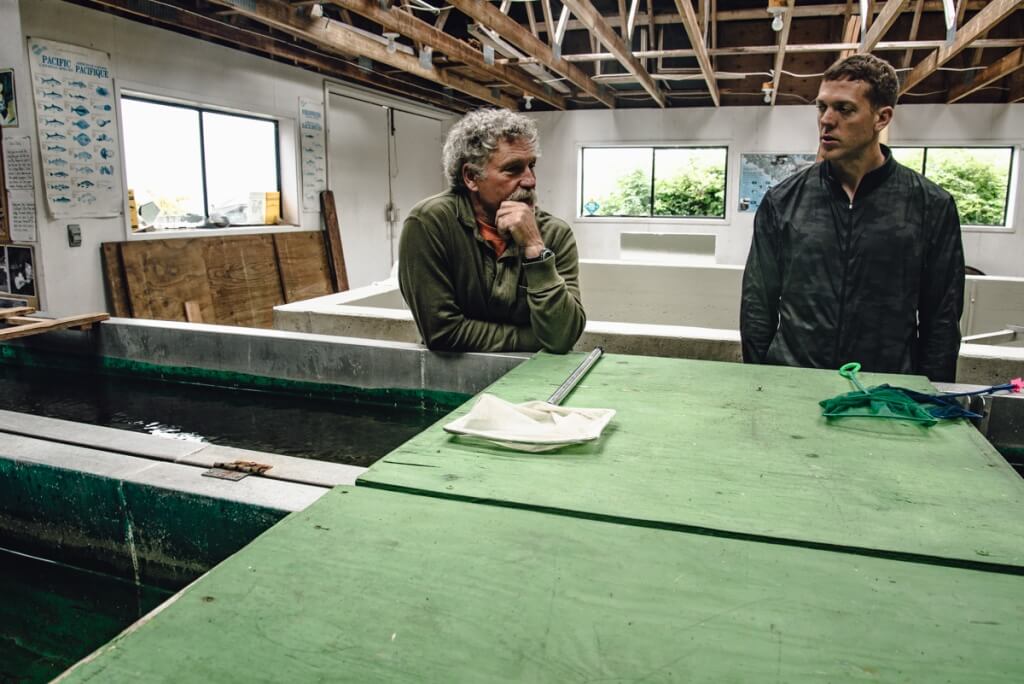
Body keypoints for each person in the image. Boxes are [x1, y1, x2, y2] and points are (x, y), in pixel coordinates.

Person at [740, 54, 965, 382]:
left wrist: (928, 399)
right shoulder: (783, 201)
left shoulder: (930, 205)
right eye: (821, 107)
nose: (826, 121)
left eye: (844, 109)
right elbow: (757, 305)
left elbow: (941, 319)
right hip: (792, 386)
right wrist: (760, 383)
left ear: (881, 117)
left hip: (883, 393)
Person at [398, 108, 585, 353]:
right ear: (471, 177)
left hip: (538, 381)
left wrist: (535, 250)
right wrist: (536, 339)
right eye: (513, 169)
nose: (530, 180)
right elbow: (442, 332)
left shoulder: (554, 233)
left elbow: (564, 336)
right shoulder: (431, 223)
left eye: (532, 166)